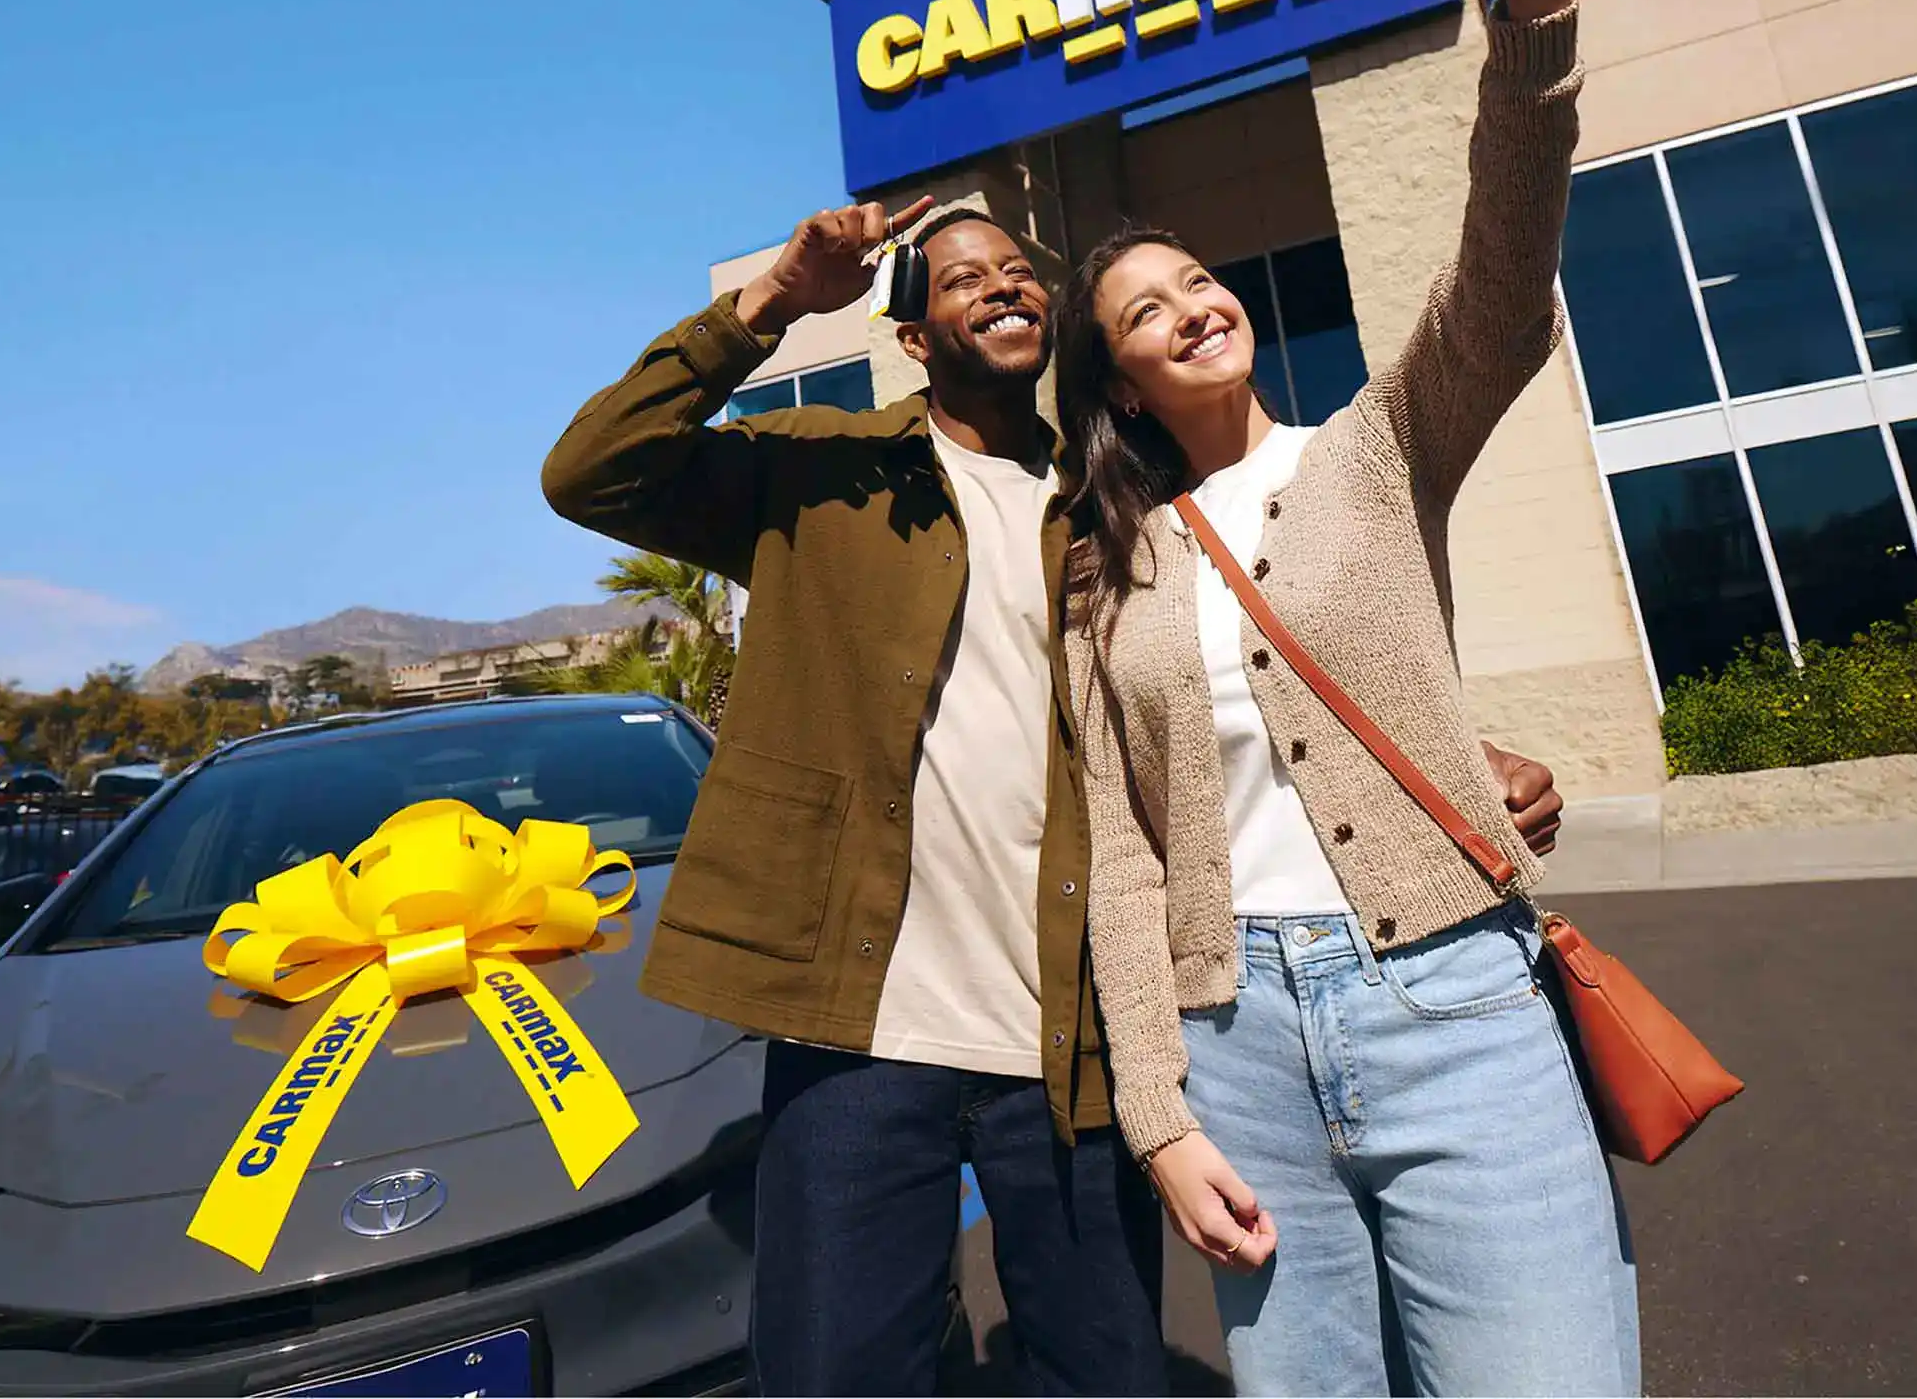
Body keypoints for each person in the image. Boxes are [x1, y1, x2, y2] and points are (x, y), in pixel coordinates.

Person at [542, 178, 1571, 1394]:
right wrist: (771, 304)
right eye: (962, 277)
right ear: (911, 336)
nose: (1001, 284)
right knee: (834, 1375)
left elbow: (1232, 699)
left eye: (1019, 272)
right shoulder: (817, 476)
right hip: (863, 1031)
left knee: (1107, 1375)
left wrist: (1455, 763)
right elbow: (591, 474)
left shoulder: (1113, 514)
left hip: (1072, 1039)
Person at [1053, 0, 1639, 1399]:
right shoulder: (1105, 575)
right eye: (1147, 311)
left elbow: (1501, 283)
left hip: (1453, 1000)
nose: (1193, 304)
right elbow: (1125, 847)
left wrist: (1535, 9)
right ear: (1122, 382)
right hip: (1234, 1034)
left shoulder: (1374, 451)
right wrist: (1161, 1120)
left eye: (1199, 279)